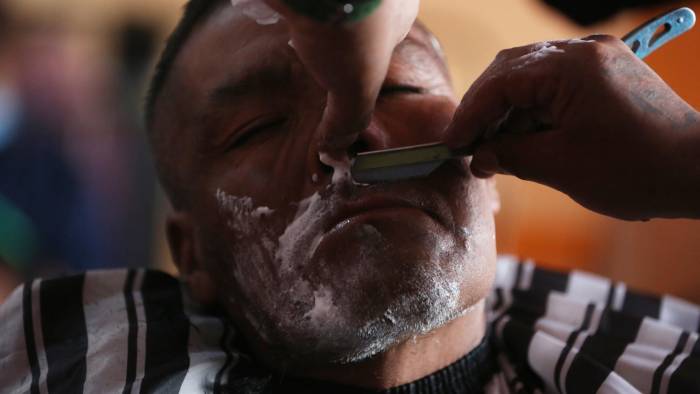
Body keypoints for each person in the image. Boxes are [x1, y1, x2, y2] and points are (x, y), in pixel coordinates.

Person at [0, 1, 698, 393]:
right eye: (257, 128)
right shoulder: (63, 363)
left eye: (400, 88)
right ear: (193, 256)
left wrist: (685, 161)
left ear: (492, 184)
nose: (348, 140)